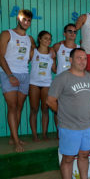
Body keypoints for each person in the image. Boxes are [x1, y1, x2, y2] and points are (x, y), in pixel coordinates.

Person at [46, 48, 90, 179]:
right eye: (79, 58)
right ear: (71, 60)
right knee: (68, 158)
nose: (82, 61)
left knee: (84, 155)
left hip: (87, 126)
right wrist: (62, 113)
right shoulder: (62, 78)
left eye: (85, 58)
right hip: (69, 127)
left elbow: (89, 99)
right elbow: (50, 101)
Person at [0, 9, 35, 152]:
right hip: (8, 74)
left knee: (19, 108)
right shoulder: (6, 34)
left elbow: (31, 54)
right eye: (24, 19)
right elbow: (1, 56)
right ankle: (15, 141)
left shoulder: (29, 38)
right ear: (18, 19)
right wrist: (10, 75)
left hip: (24, 74)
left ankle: (14, 137)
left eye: (28, 21)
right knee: (12, 108)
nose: (26, 23)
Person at [29, 31, 56, 141]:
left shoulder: (52, 54)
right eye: (45, 38)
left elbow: (54, 69)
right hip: (34, 83)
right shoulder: (33, 52)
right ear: (39, 39)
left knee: (45, 110)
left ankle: (44, 134)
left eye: (49, 39)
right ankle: (35, 135)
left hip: (46, 83)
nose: (48, 41)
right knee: (34, 110)